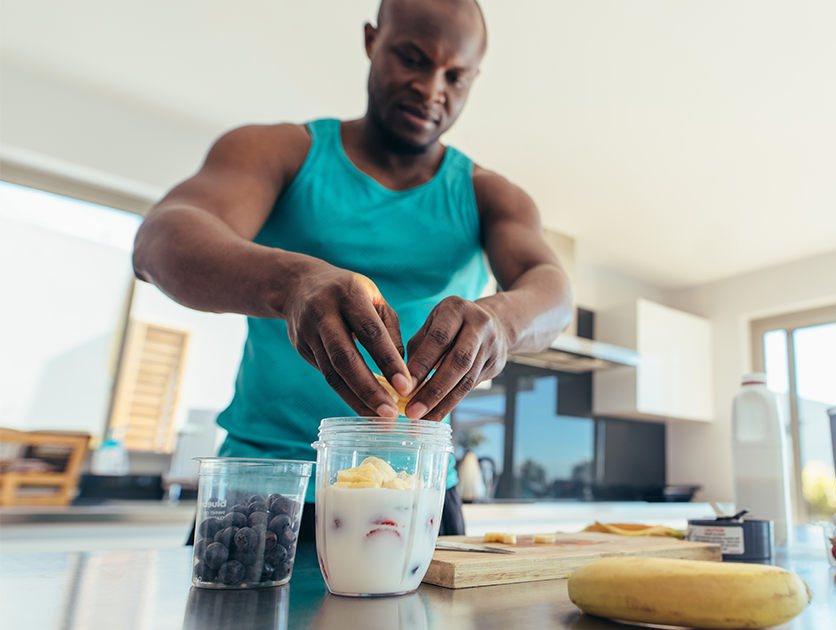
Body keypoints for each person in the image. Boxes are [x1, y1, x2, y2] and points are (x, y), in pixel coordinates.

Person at [133, 0, 572, 541]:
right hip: (269, 486)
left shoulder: (488, 195)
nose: (432, 89)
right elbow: (158, 242)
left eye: (456, 76)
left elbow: (553, 291)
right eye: (412, 58)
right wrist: (291, 283)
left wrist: (502, 322)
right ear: (372, 40)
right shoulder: (280, 150)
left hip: (416, 491)